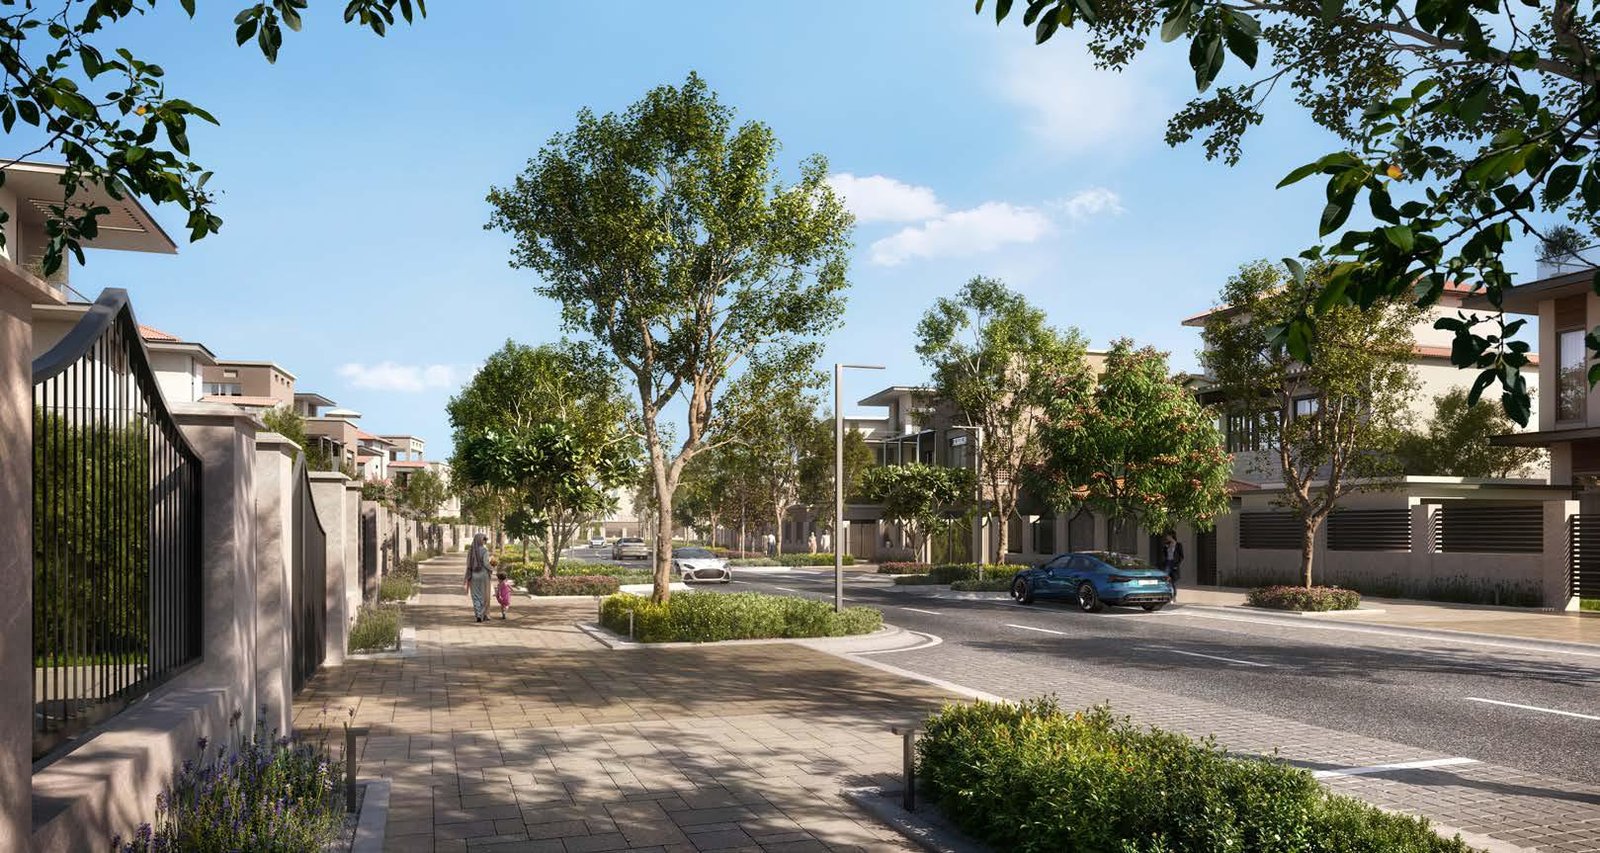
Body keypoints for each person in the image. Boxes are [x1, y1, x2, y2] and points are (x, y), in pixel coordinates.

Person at [465, 532, 492, 623]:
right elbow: (486, 563)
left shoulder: (471, 550)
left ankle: (478, 614)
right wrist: (492, 568)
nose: (485, 541)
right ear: (481, 540)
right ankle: (482, 613)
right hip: (483, 575)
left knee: (475, 595)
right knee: (484, 595)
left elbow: (468, 563)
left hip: (474, 575)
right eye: (484, 540)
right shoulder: (484, 551)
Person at [1160, 532, 1184, 601]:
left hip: (1174, 564)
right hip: (1168, 563)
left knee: (1173, 581)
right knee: (1165, 579)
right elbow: (1164, 554)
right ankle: (1165, 595)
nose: (1167, 538)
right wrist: (1165, 548)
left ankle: (1173, 596)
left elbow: (1181, 556)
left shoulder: (1178, 545)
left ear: (1171, 536)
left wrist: (1177, 564)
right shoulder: (1167, 545)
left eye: (1168, 536)